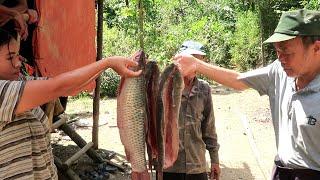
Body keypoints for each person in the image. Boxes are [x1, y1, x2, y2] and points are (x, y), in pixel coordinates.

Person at [174, 9, 320, 180]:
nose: (281, 59)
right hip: (282, 170)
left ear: (316, 47)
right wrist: (197, 65)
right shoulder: (278, 72)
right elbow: (238, 80)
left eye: (287, 52)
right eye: (277, 52)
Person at [0, 21, 141, 179]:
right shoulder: (2, 92)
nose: (18, 62)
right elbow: (57, 86)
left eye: (18, 55)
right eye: (10, 57)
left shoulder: (19, 81)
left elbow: (67, 87)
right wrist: (107, 63)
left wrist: (107, 66)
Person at [163, 40, 220, 180]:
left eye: (198, 62)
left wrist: (215, 160)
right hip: (170, 165)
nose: (194, 66)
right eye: (190, 60)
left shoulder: (204, 89)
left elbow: (209, 128)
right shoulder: (165, 87)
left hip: (197, 165)